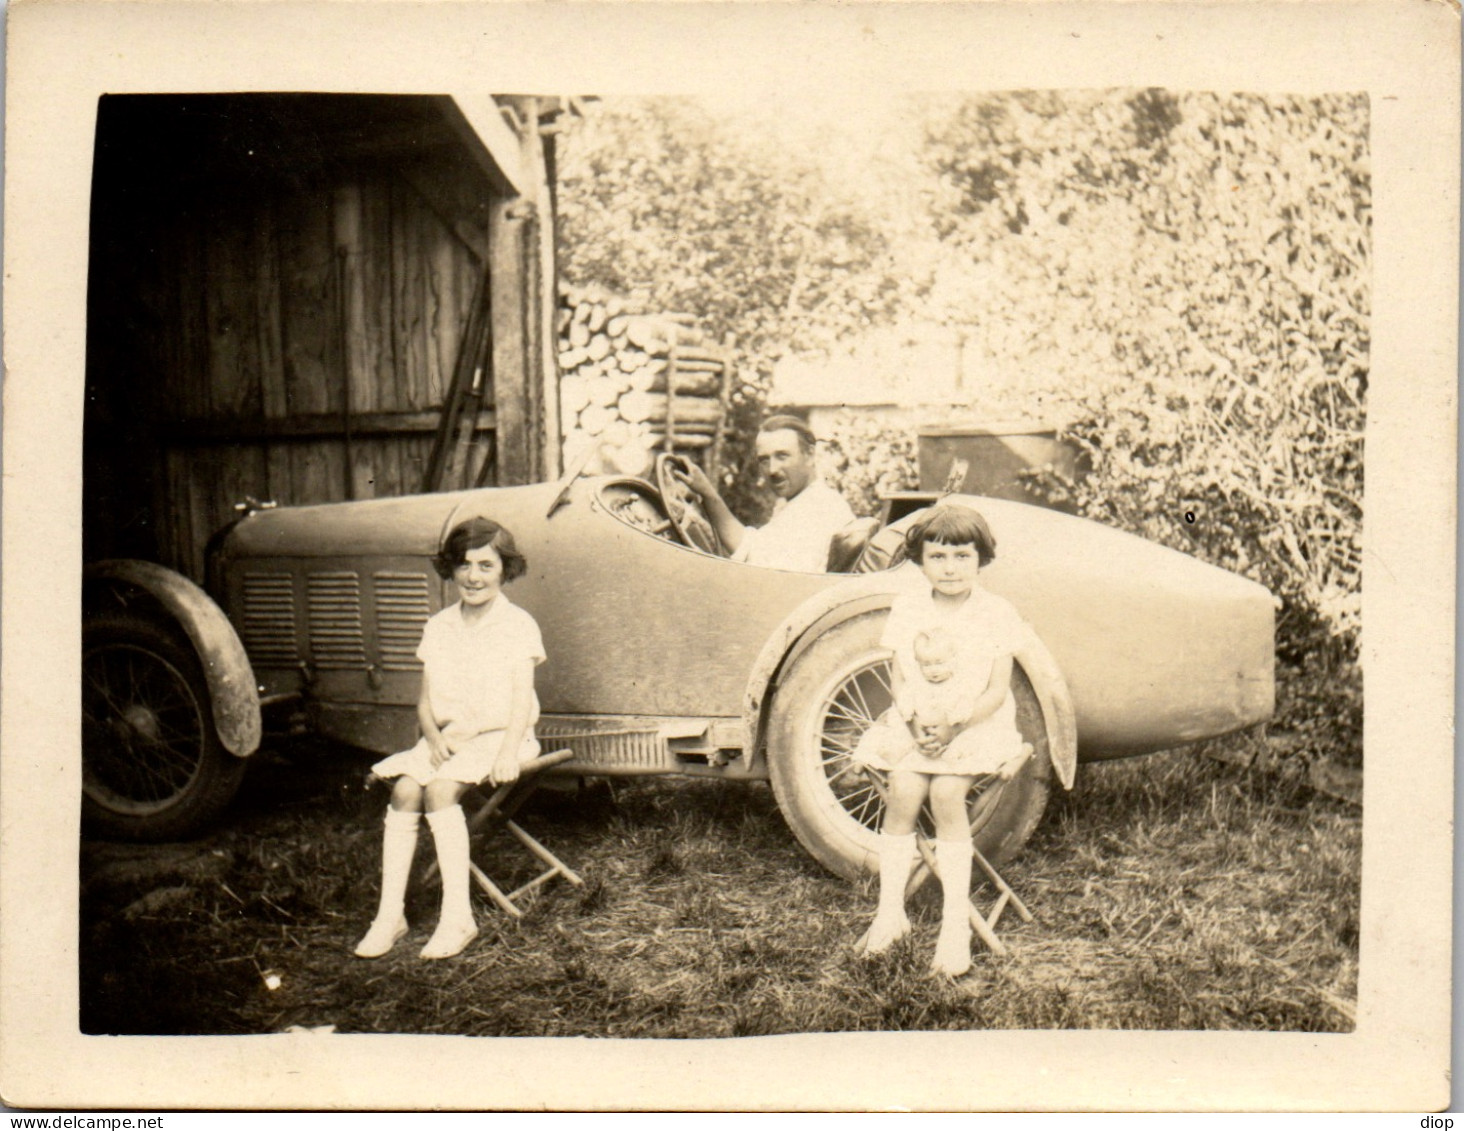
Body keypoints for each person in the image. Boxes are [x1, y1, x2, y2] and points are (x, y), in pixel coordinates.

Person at [354, 516, 545, 961]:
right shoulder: (439, 625)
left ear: (504, 569)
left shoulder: (517, 625)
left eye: (485, 565)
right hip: (453, 738)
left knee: (439, 791)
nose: (473, 576)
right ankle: (390, 915)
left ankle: (457, 916)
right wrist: (432, 737)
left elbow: (522, 700)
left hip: (504, 737)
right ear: (451, 569)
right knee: (404, 791)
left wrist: (505, 752)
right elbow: (424, 701)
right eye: (463, 565)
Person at [854, 503, 1032, 977]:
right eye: (937, 557)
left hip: (975, 725)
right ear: (920, 561)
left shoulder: (997, 612)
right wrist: (912, 720)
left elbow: (997, 691)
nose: (949, 569)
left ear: (981, 559)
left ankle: (955, 926)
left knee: (948, 792)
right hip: (918, 725)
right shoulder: (910, 606)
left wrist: (955, 725)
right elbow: (898, 675)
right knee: (905, 790)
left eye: (961, 556)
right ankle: (891, 912)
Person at [679, 414, 855, 573]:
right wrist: (707, 493)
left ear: (809, 455)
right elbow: (753, 548)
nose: (772, 470)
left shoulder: (819, 508)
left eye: (782, 456)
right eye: (764, 460)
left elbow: (774, 578)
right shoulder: (802, 502)